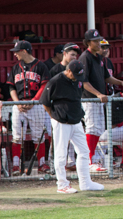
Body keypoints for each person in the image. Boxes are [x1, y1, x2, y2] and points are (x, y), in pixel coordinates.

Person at [38, 60, 104, 193]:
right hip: (61, 122)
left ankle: (86, 182)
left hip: (76, 120)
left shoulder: (78, 79)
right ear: (68, 71)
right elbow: (45, 101)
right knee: (61, 154)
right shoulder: (55, 81)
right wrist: (54, 116)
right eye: (75, 75)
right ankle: (62, 185)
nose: (77, 78)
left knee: (84, 151)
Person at [80, 29, 123, 171]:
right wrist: (98, 94)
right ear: (88, 43)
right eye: (95, 41)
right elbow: (84, 82)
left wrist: (121, 83)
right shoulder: (85, 57)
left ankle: (94, 159)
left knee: (99, 129)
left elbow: (106, 77)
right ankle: (90, 161)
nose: (98, 43)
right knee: (92, 128)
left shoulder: (99, 57)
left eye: (99, 40)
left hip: (99, 99)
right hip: (90, 99)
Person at [6, 40, 51, 175]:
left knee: (38, 136)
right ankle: (15, 166)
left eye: (17, 52)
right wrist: (17, 102)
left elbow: (44, 85)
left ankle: (42, 164)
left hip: (35, 105)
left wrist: (33, 101)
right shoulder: (15, 68)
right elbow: (11, 87)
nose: (15, 55)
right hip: (18, 105)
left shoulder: (41, 66)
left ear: (24, 51)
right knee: (17, 136)